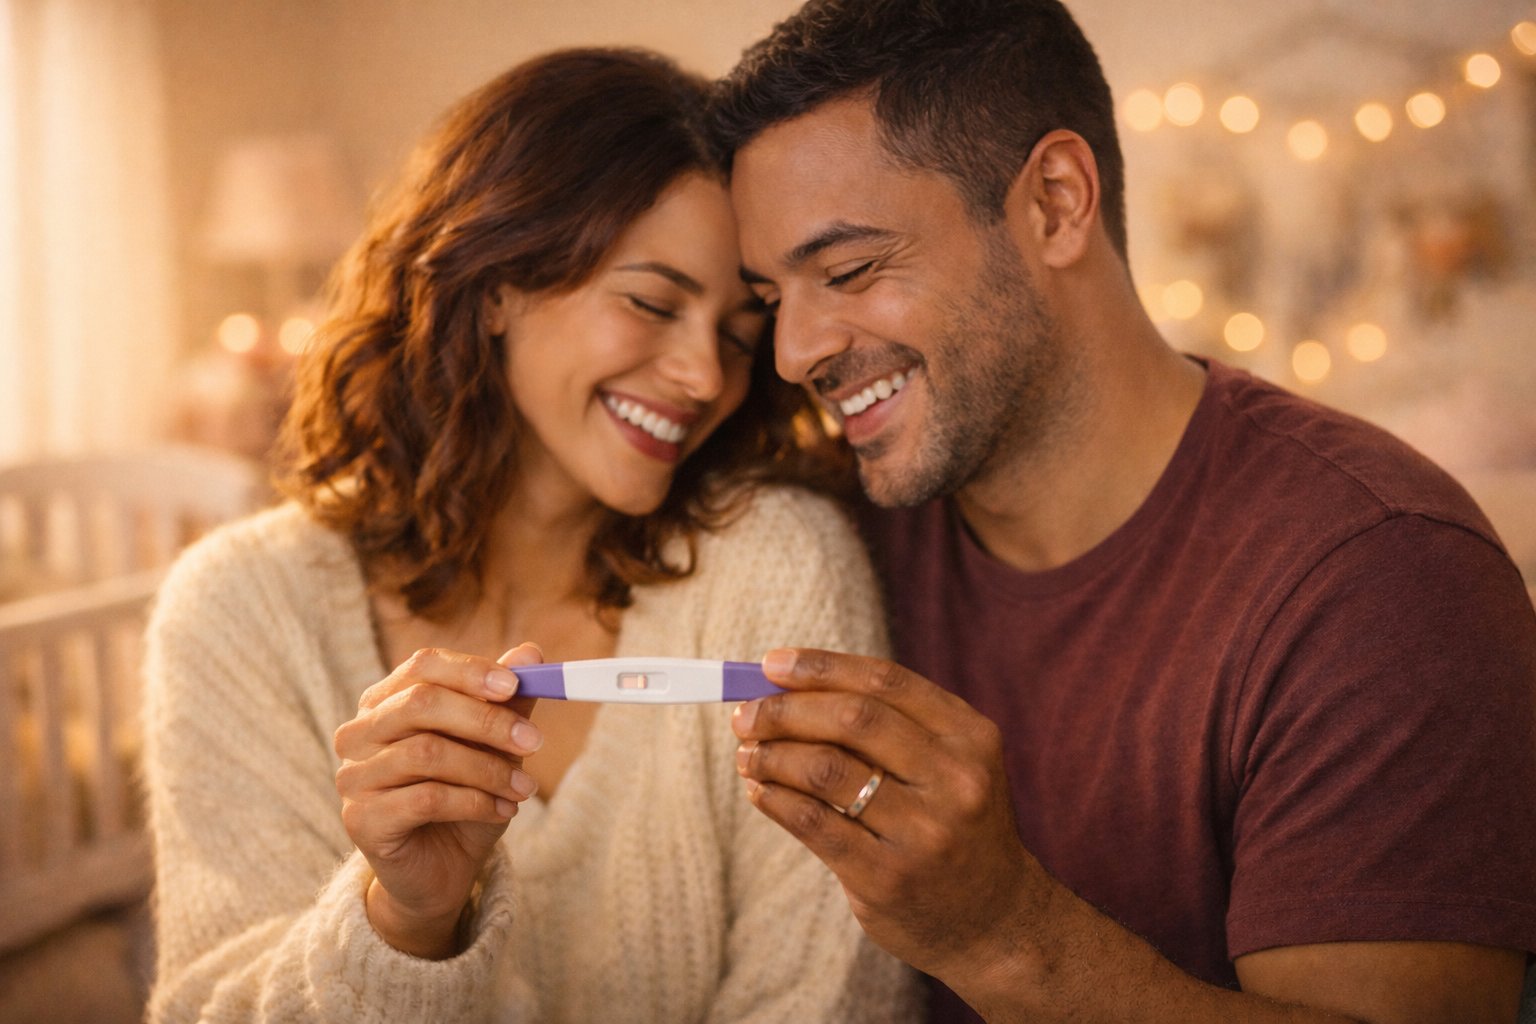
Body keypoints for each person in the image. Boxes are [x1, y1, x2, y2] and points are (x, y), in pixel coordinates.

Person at [709, 1, 1536, 1021]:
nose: (795, 354)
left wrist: (1000, 932)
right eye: (770, 297)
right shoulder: (828, 536)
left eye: (849, 271)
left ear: (1057, 203)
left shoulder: (1385, 578)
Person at [141, 47, 919, 1023]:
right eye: (650, 301)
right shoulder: (239, 610)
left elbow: (824, 1000)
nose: (703, 378)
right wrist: (405, 919)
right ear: (501, 278)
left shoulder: (777, 572)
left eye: (736, 333)